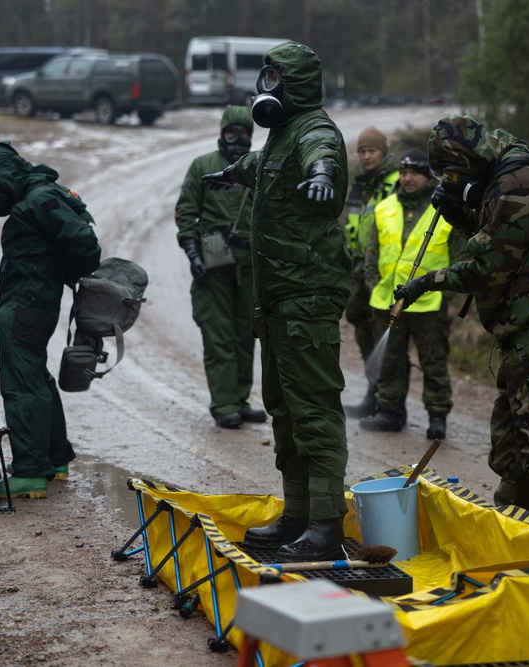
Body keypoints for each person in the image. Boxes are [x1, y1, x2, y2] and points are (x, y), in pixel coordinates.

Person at [393, 115, 529, 528]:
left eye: (454, 172)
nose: (452, 180)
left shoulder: (518, 182)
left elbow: (489, 267)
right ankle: (517, 527)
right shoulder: (503, 175)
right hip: (521, 332)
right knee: (513, 442)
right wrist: (460, 213)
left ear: (469, 157)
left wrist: (426, 283)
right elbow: (500, 235)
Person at [200, 42, 351, 561]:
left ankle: (327, 525)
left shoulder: (315, 130)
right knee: (284, 409)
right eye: (265, 75)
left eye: (275, 77)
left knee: (313, 410)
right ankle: (297, 514)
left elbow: (321, 157)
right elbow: (265, 163)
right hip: (279, 297)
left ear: (298, 83)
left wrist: (324, 176)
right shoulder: (284, 133)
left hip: (306, 295)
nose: (267, 86)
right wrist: (231, 172)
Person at [0, 141, 102, 499]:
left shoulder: (37, 200)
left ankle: (31, 471)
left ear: (7, 177)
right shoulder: (36, 197)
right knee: (37, 380)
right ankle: (55, 458)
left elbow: (83, 243)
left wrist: (72, 272)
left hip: (26, 307)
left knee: (21, 386)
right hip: (35, 305)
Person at [175, 105, 266, 429]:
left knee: (246, 335)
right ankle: (224, 403)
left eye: (244, 134)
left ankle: (240, 399)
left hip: (250, 264)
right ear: (222, 133)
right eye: (231, 133)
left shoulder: (258, 167)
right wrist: (193, 254)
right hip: (213, 263)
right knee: (218, 336)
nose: (237, 140)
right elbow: (186, 213)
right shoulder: (203, 166)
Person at [361, 148, 456, 440]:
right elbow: (372, 252)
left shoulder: (445, 209)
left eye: (414, 173)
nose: (408, 178)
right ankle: (390, 411)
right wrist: (372, 283)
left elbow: (459, 255)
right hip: (387, 300)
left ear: (427, 177)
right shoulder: (384, 207)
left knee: (434, 361)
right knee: (391, 360)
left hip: (430, 302)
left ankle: (437, 416)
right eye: (403, 173)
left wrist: (449, 293)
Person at [341, 126, 399, 419]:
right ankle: (373, 393)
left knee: (384, 335)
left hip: (383, 271)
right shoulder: (359, 185)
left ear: (383, 152)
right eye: (362, 151)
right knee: (362, 328)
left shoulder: (396, 183)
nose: (365, 156)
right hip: (358, 270)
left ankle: (388, 403)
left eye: (371, 151)